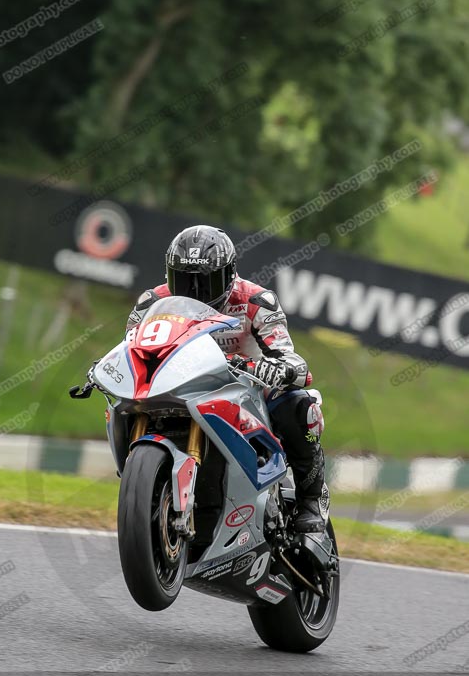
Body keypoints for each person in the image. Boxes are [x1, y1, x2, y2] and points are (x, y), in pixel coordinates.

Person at [125, 224, 329, 532]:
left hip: (245, 391)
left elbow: (291, 360)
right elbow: (131, 349)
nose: (194, 293)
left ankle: (311, 498)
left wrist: (274, 368)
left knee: (298, 404)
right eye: (184, 281)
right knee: (126, 402)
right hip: (180, 385)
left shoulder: (257, 301)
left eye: (205, 283)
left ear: (229, 273)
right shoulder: (151, 303)